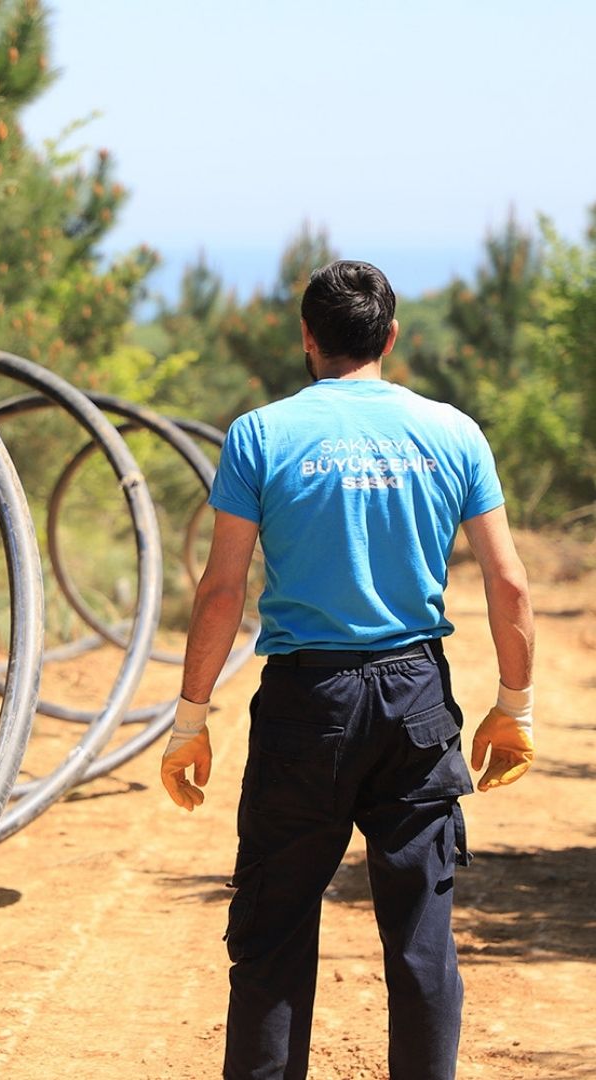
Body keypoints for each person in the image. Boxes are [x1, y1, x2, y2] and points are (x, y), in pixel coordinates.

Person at [159, 260, 535, 1080]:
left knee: (274, 937)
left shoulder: (260, 434)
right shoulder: (453, 432)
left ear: (308, 339)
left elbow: (223, 588)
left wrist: (190, 720)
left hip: (306, 705)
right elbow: (508, 580)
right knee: (422, 944)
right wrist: (516, 706)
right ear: (390, 339)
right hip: (417, 701)